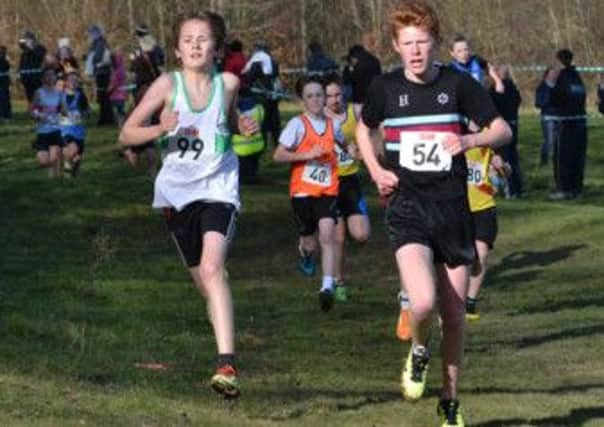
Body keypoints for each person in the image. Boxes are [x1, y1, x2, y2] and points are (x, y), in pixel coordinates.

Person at [355, 1, 511, 425]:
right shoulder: (384, 88)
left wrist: (468, 140)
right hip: (407, 207)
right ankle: (419, 350)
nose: (416, 51)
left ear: (436, 43)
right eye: (408, 43)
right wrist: (375, 170)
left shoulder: (459, 85)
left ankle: (451, 402)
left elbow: (503, 129)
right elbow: (362, 128)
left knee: (456, 314)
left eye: (423, 42)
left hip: (454, 209)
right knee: (422, 302)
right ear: (395, 46)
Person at [119, 11, 257, 399]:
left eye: (203, 38)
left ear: (216, 48)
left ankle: (226, 365)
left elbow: (228, 120)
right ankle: (223, 335)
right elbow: (126, 133)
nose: (196, 44)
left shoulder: (228, 83)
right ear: (178, 50)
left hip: (218, 188)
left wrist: (241, 125)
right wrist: (159, 128)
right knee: (208, 285)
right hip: (177, 195)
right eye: (188, 39)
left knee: (214, 268)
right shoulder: (166, 84)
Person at [273, 75, 341, 312]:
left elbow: (344, 145)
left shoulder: (334, 125)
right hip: (302, 191)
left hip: (328, 188)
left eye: (319, 95)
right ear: (303, 100)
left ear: (325, 97)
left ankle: (327, 287)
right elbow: (278, 155)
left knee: (327, 234)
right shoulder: (297, 125)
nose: (315, 100)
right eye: (310, 96)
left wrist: (354, 150)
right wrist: (306, 155)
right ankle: (305, 253)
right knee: (309, 241)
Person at [323, 74, 370, 301]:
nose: (334, 100)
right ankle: (339, 282)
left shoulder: (356, 112)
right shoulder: (318, 118)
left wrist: (362, 152)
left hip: (351, 181)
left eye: (337, 94)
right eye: (329, 96)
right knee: (339, 237)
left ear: (344, 93)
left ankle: (354, 223)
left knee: (361, 236)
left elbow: (373, 132)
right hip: (330, 182)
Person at [465, 148, 509, 320]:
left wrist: (501, 168)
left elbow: (504, 175)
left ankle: (469, 303)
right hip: (456, 206)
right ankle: (452, 300)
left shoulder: (487, 139)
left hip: (484, 206)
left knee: (481, 255)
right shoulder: (452, 134)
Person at [549, 48, 587, 200]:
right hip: (580, 122)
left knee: (563, 158)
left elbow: (555, 99)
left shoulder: (561, 77)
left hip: (566, 122)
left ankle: (564, 189)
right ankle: (577, 187)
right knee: (577, 157)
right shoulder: (577, 77)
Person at [488, 64, 522, 198]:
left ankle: (508, 188)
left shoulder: (497, 89)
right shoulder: (514, 88)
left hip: (502, 126)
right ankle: (516, 188)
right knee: (513, 157)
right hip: (514, 124)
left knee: (503, 158)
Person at [243, 40, 281, 146]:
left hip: (260, 94)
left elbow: (250, 77)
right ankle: (276, 143)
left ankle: (262, 143)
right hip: (272, 94)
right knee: (274, 120)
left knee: (262, 120)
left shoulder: (257, 60)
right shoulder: (272, 61)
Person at [31, 66, 64, 178]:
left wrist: (63, 115)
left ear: (55, 77)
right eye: (47, 75)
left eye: (52, 75)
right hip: (42, 130)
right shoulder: (38, 92)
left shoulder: (59, 93)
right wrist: (38, 115)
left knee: (55, 158)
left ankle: (56, 179)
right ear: (43, 78)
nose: (50, 77)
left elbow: (64, 110)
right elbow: (32, 110)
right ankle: (53, 168)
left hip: (56, 129)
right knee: (43, 161)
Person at [61, 71, 90, 177]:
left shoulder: (81, 95)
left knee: (78, 157)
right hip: (64, 129)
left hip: (78, 129)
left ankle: (69, 169)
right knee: (73, 150)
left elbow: (87, 110)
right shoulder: (60, 95)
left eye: (76, 80)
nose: (73, 82)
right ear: (66, 82)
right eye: (71, 80)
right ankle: (68, 164)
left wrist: (85, 113)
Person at [232, 89, 264, 184]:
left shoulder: (235, 110)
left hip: (240, 147)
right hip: (257, 143)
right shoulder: (259, 108)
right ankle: (253, 177)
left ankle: (246, 179)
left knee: (242, 171)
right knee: (253, 166)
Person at [86, 25, 114, 125]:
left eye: (91, 33)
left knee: (103, 96)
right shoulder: (99, 42)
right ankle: (105, 118)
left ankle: (106, 119)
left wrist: (90, 59)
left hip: (102, 72)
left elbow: (97, 56)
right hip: (101, 71)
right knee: (103, 96)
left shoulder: (100, 43)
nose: (90, 35)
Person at [343, 44, 381, 117]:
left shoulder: (358, 66)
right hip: (375, 98)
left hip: (360, 100)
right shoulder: (375, 60)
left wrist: (349, 69)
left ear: (353, 57)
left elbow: (348, 81)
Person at [535, 67, 560, 167]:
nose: (554, 75)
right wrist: (549, 100)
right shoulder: (542, 87)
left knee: (558, 140)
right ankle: (544, 161)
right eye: (552, 73)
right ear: (547, 75)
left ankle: (557, 161)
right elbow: (538, 103)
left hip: (559, 117)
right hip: (547, 117)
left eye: (555, 73)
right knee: (549, 140)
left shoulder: (559, 86)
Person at [18, 30, 47, 104]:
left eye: (28, 39)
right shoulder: (24, 52)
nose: (26, 41)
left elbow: (40, 56)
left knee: (39, 95)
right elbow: (22, 64)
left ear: (33, 39)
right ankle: (32, 111)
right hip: (27, 78)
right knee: (29, 96)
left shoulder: (40, 48)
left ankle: (41, 110)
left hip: (37, 78)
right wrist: (22, 76)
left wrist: (31, 47)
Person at [108, 49, 128, 128]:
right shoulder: (122, 70)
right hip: (122, 93)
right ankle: (121, 123)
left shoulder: (116, 72)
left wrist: (109, 89)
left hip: (116, 94)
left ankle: (121, 124)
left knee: (118, 110)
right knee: (121, 110)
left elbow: (114, 83)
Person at [0, 46, 12, 121]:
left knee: (4, 99)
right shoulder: (5, 60)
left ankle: (5, 115)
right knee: (5, 99)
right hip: (4, 82)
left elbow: (6, 68)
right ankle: (6, 115)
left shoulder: (4, 61)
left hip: (3, 82)